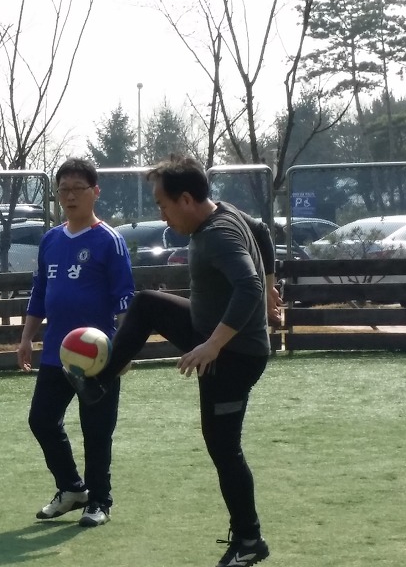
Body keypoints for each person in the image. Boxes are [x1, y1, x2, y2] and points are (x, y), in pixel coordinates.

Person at [74, 154, 282, 566]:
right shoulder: (224, 211)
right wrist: (272, 283)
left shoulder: (219, 233)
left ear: (186, 199)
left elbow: (248, 286)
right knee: (147, 304)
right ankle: (99, 383)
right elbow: (261, 231)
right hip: (211, 335)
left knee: (224, 448)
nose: (162, 215)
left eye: (163, 205)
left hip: (235, 355)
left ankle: (249, 541)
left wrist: (214, 345)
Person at [16, 157, 135, 528]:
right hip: (58, 354)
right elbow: (39, 292)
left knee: (96, 431)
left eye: (77, 189)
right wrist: (26, 337)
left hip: (98, 357)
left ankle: (99, 501)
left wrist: (124, 350)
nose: (69, 196)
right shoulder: (51, 240)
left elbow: (125, 299)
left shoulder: (110, 241)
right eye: (63, 189)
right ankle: (71, 488)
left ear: (94, 192)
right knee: (41, 420)